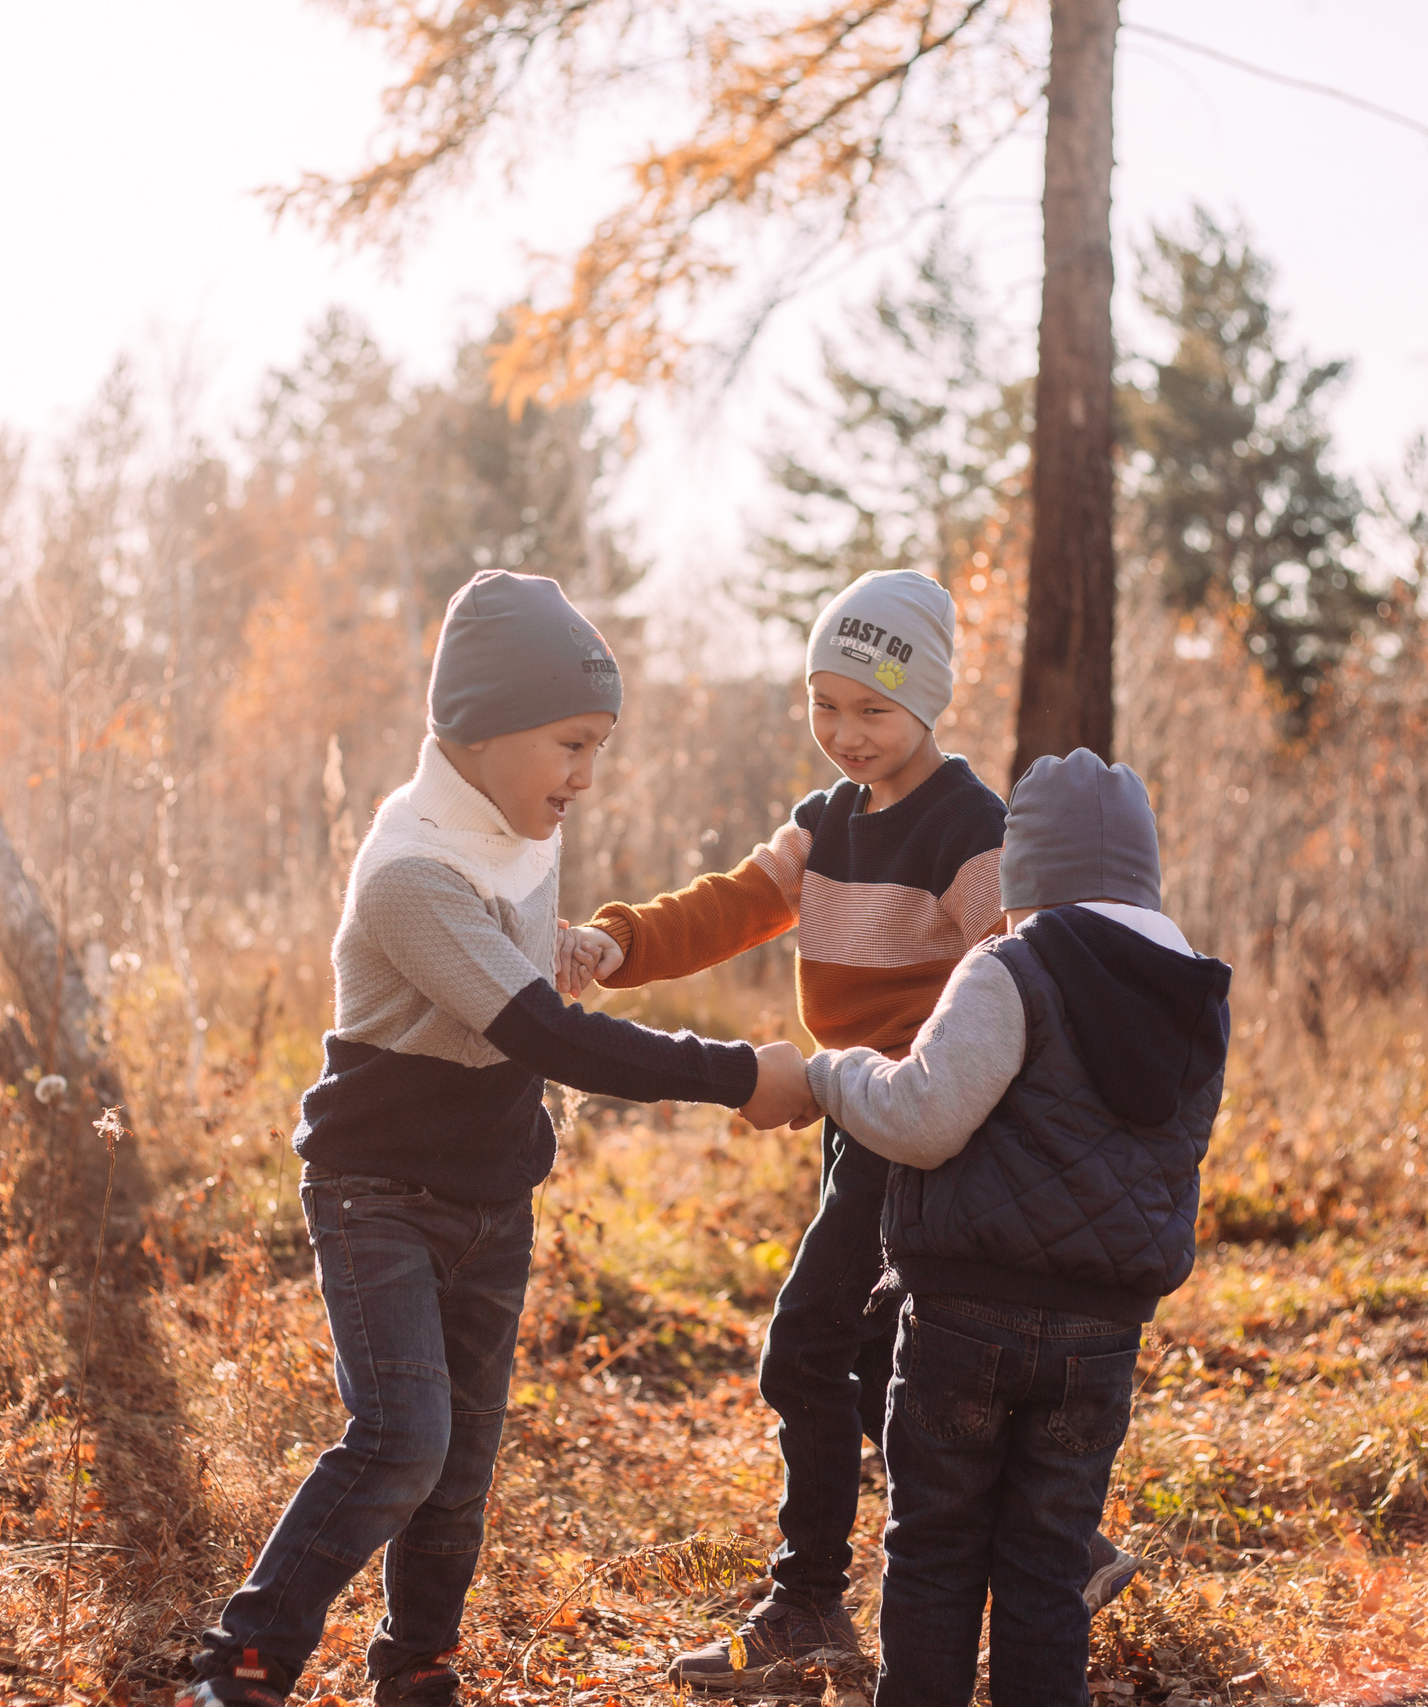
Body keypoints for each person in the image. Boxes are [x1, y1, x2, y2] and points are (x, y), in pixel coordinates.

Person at [187, 570, 811, 1707]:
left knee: (463, 1460)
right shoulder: (411, 870)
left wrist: (571, 946)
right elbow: (543, 1035)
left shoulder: (513, 828)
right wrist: (739, 1075)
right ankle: (245, 1660)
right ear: (479, 730)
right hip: (378, 1193)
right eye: (570, 745)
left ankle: (418, 1663)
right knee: (402, 1438)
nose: (585, 776)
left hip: (491, 1193)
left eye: (597, 747)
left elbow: (511, 977)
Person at [561, 572, 1131, 1688]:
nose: (847, 731)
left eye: (873, 708)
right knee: (877, 1362)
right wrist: (618, 943)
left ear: (927, 701)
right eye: (825, 704)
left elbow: (1030, 970)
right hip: (853, 1119)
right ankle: (1065, 1551)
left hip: (925, 1129)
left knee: (806, 1348)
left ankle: (809, 1600)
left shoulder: (970, 829)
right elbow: (732, 903)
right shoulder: (825, 824)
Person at [796, 749, 1233, 1707]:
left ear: (1024, 876)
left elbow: (923, 1115)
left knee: (936, 1551)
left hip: (967, 1317)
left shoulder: (1010, 967)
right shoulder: (1195, 999)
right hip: (1102, 1335)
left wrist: (834, 1070)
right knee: (1046, 1567)